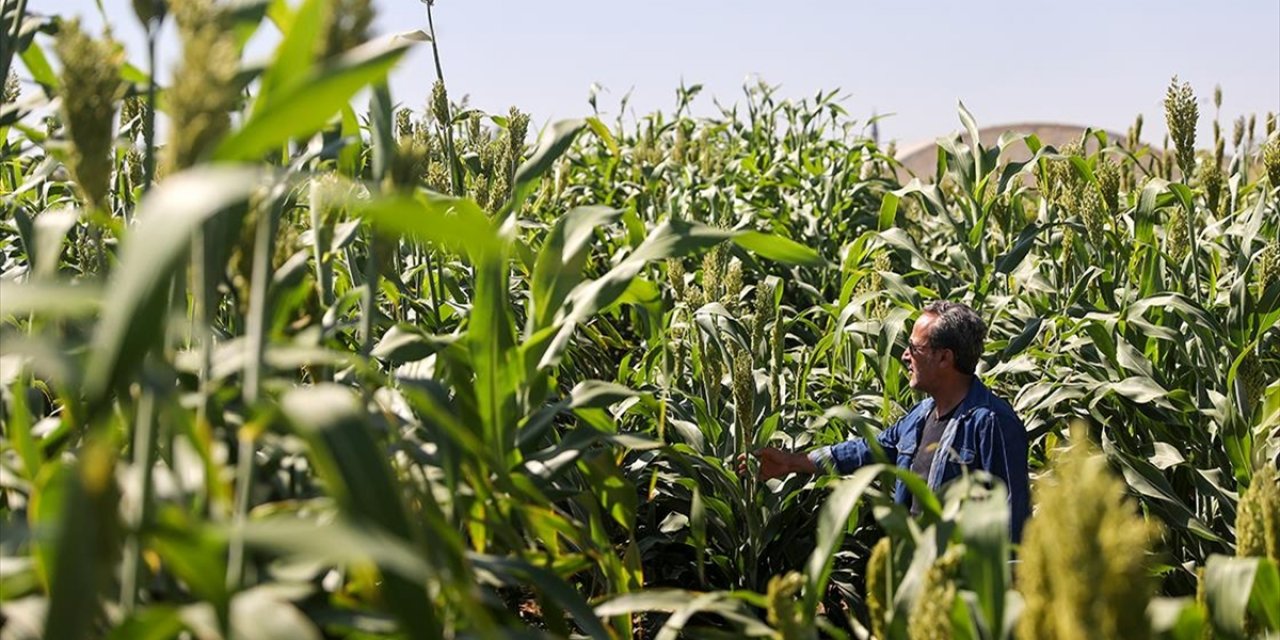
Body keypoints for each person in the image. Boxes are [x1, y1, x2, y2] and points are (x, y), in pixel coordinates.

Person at [743, 300, 1031, 541]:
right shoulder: (920, 417)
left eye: (914, 348)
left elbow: (1012, 517)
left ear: (944, 358)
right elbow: (867, 451)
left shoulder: (992, 423)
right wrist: (792, 462)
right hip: (915, 574)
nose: (905, 356)